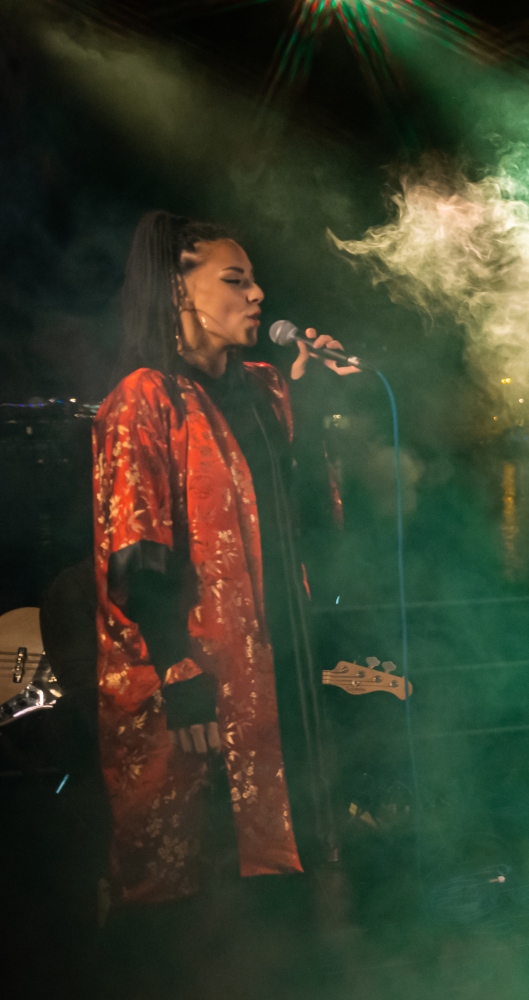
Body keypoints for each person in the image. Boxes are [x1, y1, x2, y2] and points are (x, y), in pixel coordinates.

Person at [92, 210, 356, 911]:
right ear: (178, 291)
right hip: (196, 676)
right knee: (201, 887)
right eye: (235, 280)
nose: (257, 294)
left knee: (287, 869)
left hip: (280, 663)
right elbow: (135, 550)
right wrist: (178, 673)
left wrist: (315, 397)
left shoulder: (267, 388)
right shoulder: (145, 398)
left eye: (254, 279)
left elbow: (310, 517)